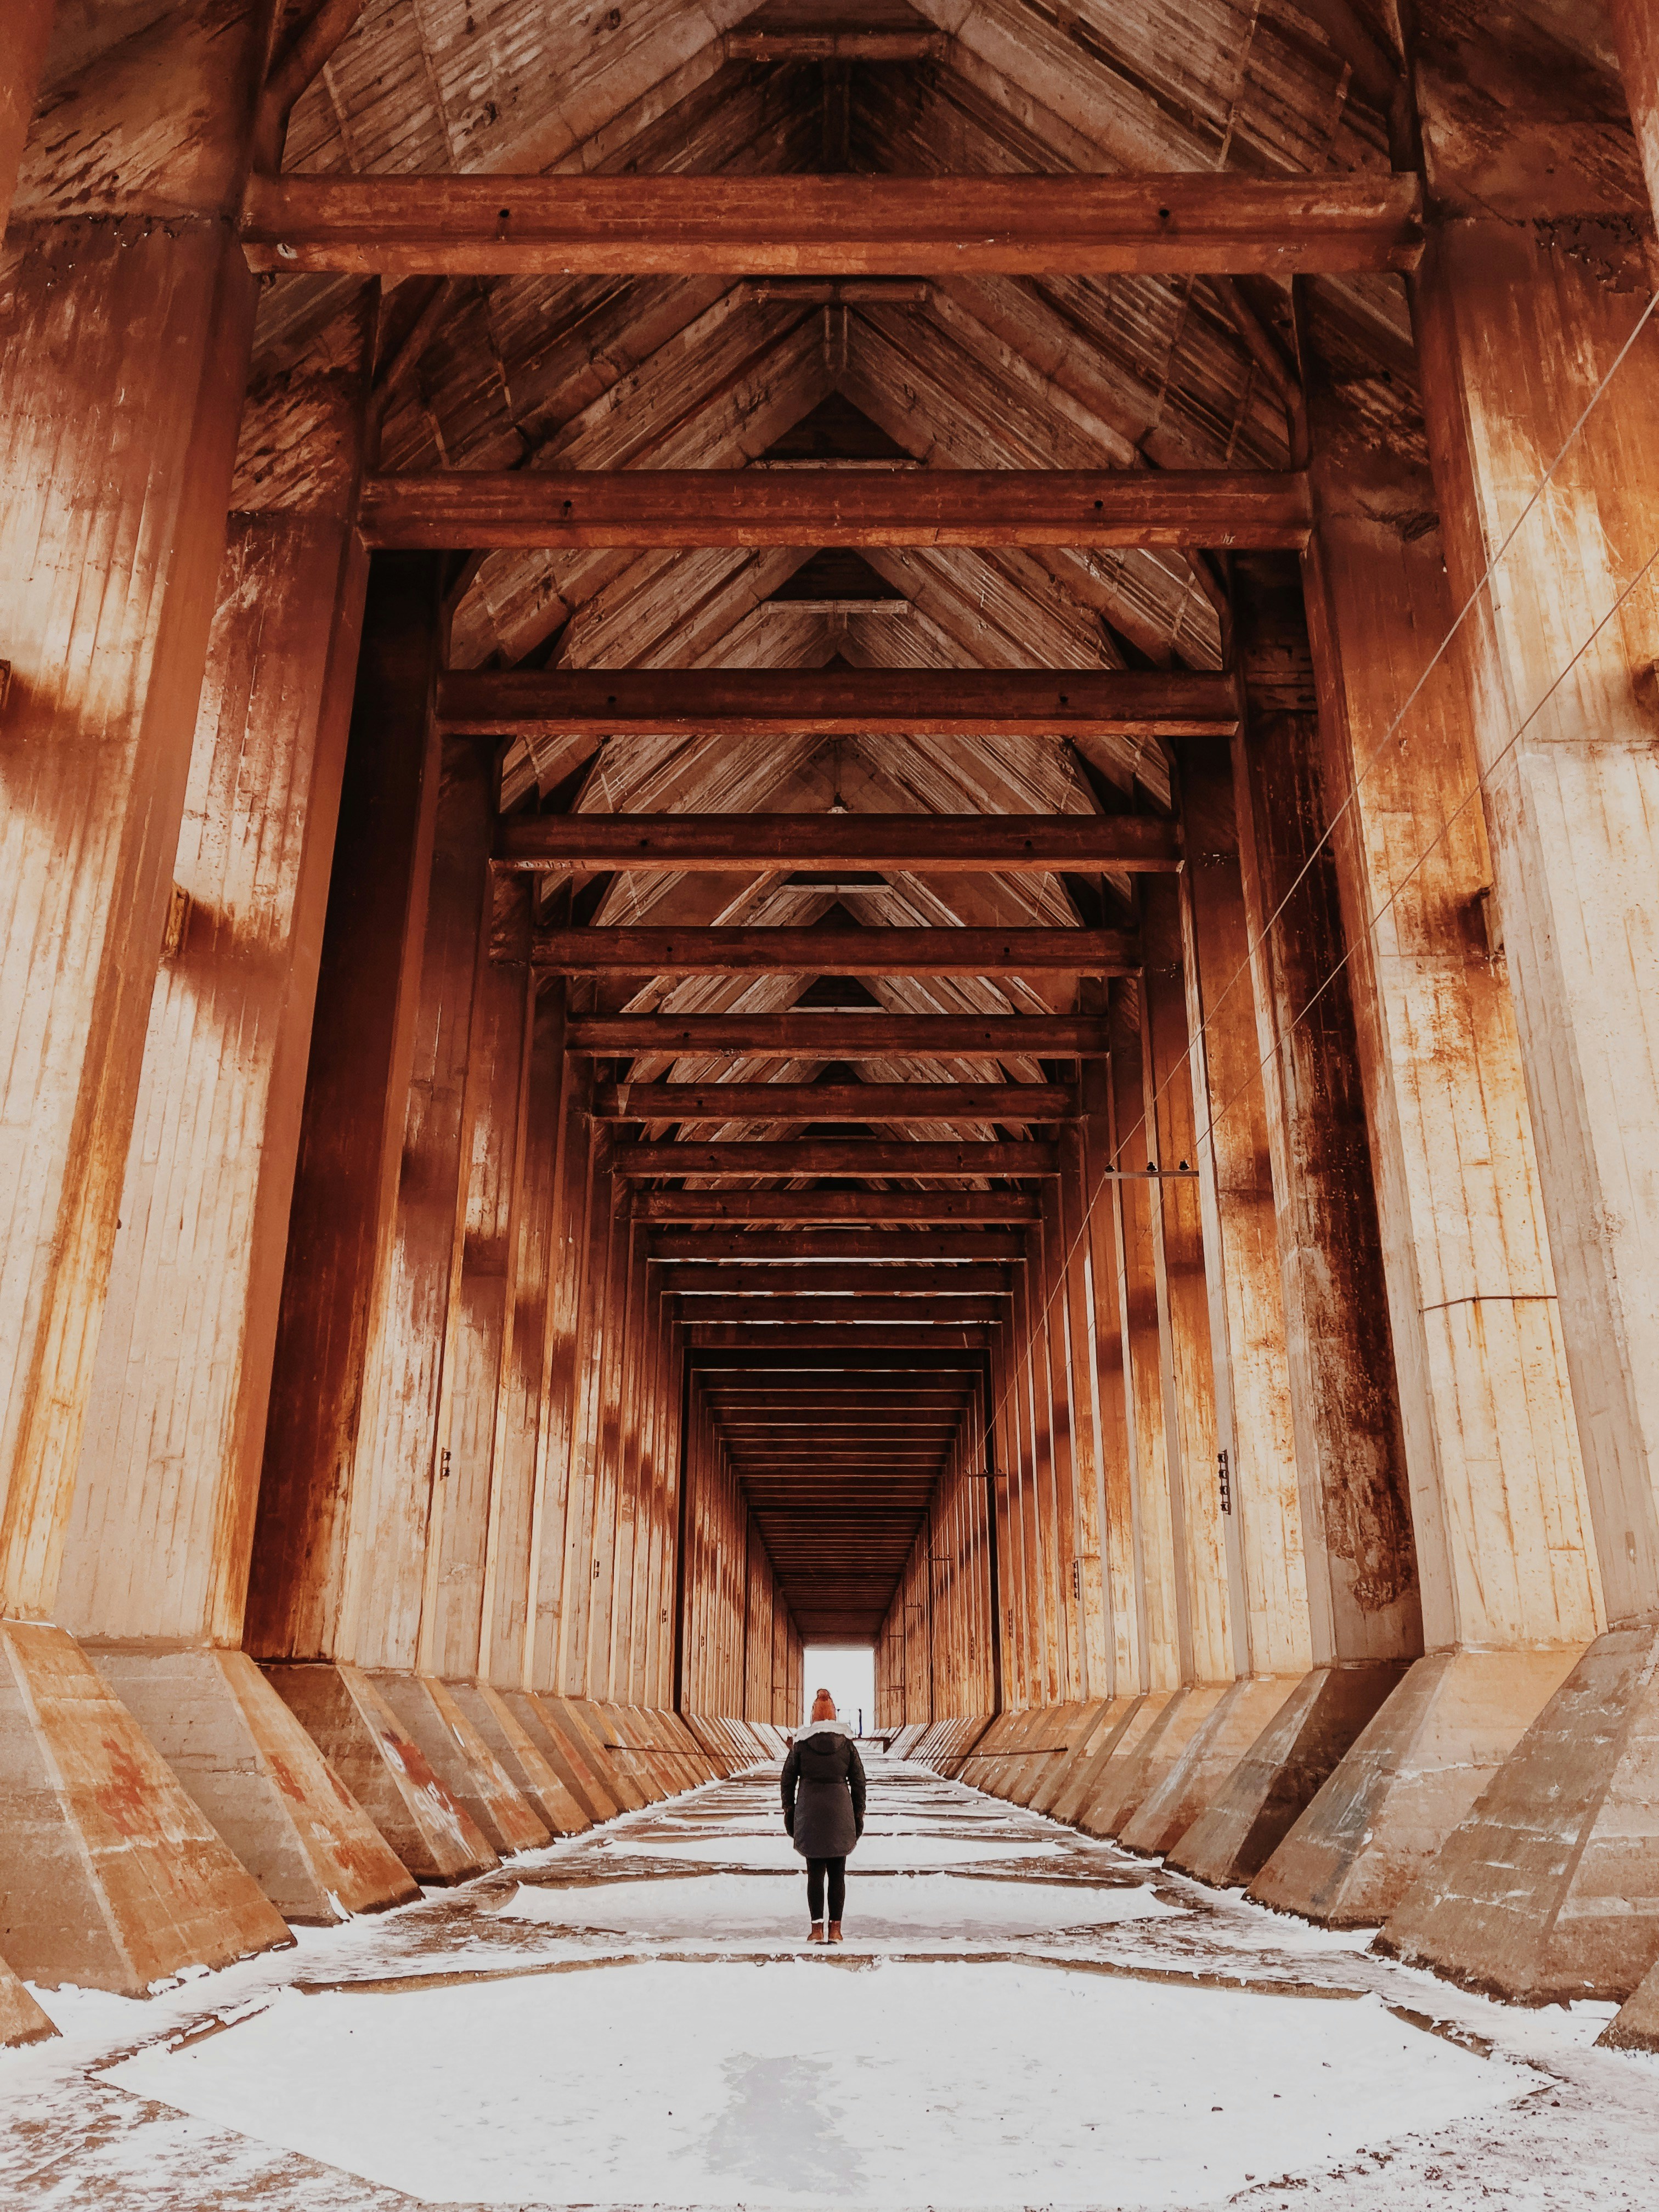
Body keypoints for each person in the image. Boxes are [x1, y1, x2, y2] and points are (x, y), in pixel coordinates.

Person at [780, 1688, 866, 1944]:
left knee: (815, 1873)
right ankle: (836, 1930)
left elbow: (787, 1781)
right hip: (840, 1814)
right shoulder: (847, 1746)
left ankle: (816, 1930)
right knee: (838, 1873)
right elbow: (859, 1782)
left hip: (810, 1814)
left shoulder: (801, 1746)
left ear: (813, 1718)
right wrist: (857, 1814)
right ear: (835, 1716)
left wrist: (790, 1811)